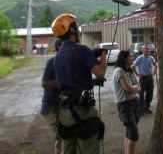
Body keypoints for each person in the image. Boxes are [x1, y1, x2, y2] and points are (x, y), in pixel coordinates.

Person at [52, 13, 107, 154]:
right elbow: (100, 72)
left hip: (64, 112)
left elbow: (72, 79)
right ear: (71, 31)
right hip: (83, 110)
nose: (79, 32)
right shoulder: (82, 50)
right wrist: (103, 55)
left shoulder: (57, 57)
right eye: (77, 28)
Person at [113, 50, 141, 154]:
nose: (132, 58)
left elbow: (138, 86)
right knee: (133, 134)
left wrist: (134, 88)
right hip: (124, 104)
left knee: (130, 132)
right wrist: (135, 88)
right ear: (125, 59)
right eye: (130, 57)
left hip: (134, 101)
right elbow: (127, 89)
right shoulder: (119, 71)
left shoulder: (130, 70)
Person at [40, 39, 62, 154]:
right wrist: (63, 82)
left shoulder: (65, 62)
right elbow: (44, 83)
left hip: (61, 106)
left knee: (66, 137)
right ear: (58, 47)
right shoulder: (52, 62)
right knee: (60, 138)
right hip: (50, 108)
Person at [131, 44, 157, 115]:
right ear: (142, 50)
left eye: (147, 49)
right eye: (145, 49)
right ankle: (141, 110)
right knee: (141, 94)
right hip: (143, 79)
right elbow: (133, 66)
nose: (146, 50)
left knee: (150, 94)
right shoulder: (139, 58)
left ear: (149, 50)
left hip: (150, 78)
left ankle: (146, 107)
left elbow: (156, 65)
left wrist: (154, 72)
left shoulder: (151, 58)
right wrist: (137, 74)